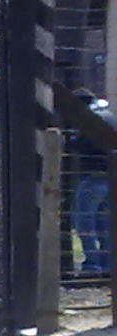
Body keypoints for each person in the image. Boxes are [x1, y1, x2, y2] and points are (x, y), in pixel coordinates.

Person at [68, 89, 117, 274]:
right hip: (110, 176)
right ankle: (107, 265)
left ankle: (92, 265)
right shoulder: (109, 115)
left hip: (94, 176)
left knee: (84, 221)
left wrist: (69, 139)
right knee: (104, 222)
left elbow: (80, 143)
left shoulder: (91, 120)